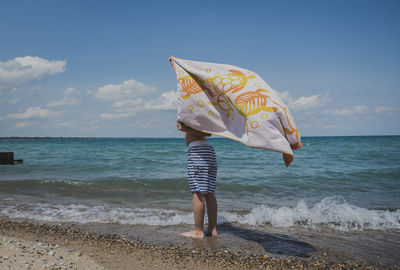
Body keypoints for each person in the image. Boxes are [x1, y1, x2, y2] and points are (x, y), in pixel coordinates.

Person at [177, 120, 218, 239]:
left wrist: (184, 129)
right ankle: (212, 228)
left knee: (197, 192)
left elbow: (206, 133)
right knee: (209, 192)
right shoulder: (199, 109)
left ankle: (198, 231)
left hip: (199, 152)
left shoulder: (194, 108)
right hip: (206, 151)